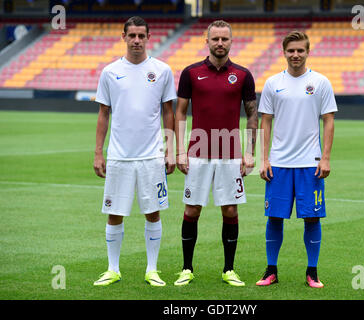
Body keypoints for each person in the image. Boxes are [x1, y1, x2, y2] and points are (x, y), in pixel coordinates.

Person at [92, 16, 177, 287]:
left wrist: (171, 149)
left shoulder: (162, 70)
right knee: (114, 212)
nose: (137, 40)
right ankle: (112, 268)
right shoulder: (109, 72)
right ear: (124, 37)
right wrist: (98, 153)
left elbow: (168, 112)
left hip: (152, 156)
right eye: (132, 36)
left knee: (153, 212)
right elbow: (103, 113)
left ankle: (152, 269)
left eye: (142, 35)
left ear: (149, 37)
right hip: (119, 156)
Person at [174, 20, 258, 287]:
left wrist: (250, 152)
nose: (220, 43)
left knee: (230, 210)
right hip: (197, 153)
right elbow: (180, 113)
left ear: (231, 42)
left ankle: (229, 269)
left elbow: (253, 114)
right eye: (215, 39)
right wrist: (179, 150)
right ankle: (187, 268)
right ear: (207, 41)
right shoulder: (190, 73)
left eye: (225, 39)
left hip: (231, 154)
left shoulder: (243, 75)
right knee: (192, 209)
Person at [257, 31, 337, 288]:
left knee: (312, 218)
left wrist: (325, 158)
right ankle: (271, 270)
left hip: (310, 164)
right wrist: (264, 159)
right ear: (284, 52)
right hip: (279, 164)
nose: (295, 55)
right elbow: (265, 122)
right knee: (275, 218)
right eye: (291, 50)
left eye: (300, 50)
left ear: (307, 52)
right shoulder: (272, 83)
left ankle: (312, 272)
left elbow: (329, 121)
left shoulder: (321, 82)